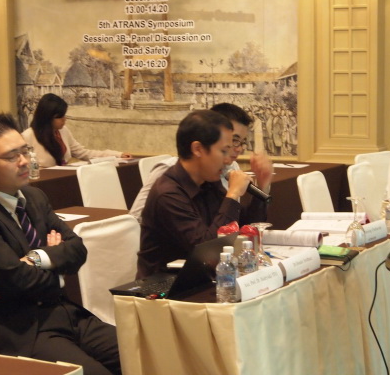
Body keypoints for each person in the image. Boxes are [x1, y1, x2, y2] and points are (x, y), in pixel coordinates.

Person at [0, 114, 122, 375]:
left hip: (59, 313)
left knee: (142, 352)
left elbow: (77, 250)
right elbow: (17, 280)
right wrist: (57, 270)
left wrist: (37, 258)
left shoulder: (33, 197)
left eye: (25, 151)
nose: (24, 161)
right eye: (11, 156)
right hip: (13, 327)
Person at [137, 109, 273, 278]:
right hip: (166, 285)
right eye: (223, 151)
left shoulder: (209, 181)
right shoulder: (168, 193)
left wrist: (262, 187)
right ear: (198, 149)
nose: (227, 160)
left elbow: (244, 228)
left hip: (203, 278)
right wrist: (233, 194)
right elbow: (209, 250)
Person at [129, 102, 273, 223]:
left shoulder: (225, 170)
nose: (239, 149)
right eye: (234, 140)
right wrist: (233, 194)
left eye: (242, 142)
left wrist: (263, 185)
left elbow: (240, 224)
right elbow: (134, 220)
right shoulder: (169, 174)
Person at [22, 93, 131, 167]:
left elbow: (83, 153)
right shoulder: (28, 136)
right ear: (47, 117)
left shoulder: (63, 131)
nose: (64, 119)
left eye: (64, 115)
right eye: (60, 117)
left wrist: (117, 155)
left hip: (62, 180)